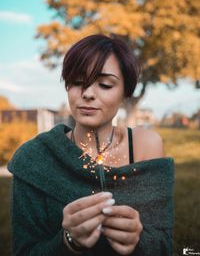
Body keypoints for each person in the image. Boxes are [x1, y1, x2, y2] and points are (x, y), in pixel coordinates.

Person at [7, 34, 175, 256]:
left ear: (126, 92)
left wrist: (138, 240)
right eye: (77, 82)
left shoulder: (147, 146)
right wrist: (68, 242)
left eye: (105, 84)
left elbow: (163, 244)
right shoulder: (33, 159)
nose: (87, 94)